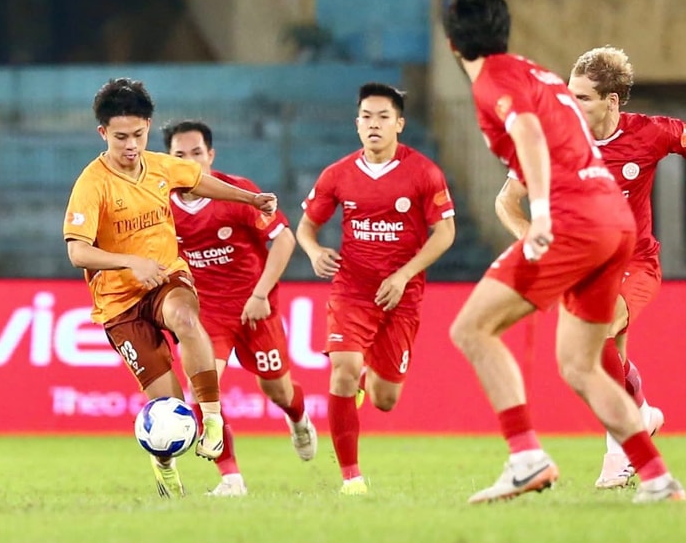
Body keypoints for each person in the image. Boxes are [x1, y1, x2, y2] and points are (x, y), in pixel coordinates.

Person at [443, 0, 685, 504]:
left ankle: (526, 458)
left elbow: (528, 133)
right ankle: (657, 477)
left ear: (452, 45)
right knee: (581, 363)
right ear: (504, 31)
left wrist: (543, 211)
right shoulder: (537, 73)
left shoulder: (492, 81)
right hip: (614, 221)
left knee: (471, 329)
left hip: (574, 221)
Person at [495, 45, 686, 489]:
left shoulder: (653, 133)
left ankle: (632, 431)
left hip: (636, 262)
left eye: (582, 97)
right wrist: (531, 236)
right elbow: (506, 201)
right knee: (605, 363)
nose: (570, 104)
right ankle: (634, 425)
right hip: (583, 267)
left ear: (612, 101)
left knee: (601, 332)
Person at [63, 79, 278, 499]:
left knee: (184, 316)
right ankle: (164, 465)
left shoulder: (160, 166)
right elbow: (77, 252)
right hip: (117, 305)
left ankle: (213, 418)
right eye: (120, 137)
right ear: (102, 133)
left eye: (138, 135)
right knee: (168, 408)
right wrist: (129, 261)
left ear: (148, 127)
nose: (130, 145)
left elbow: (198, 180)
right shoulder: (92, 184)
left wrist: (250, 200)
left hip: (165, 278)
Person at [296, 82, 457, 495]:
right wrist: (314, 252)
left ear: (399, 124)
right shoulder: (338, 174)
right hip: (351, 289)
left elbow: (445, 233)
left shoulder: (423, 172)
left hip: (402, 296)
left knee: (386, 399)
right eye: (367, 116)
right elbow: (306, 227)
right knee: (343, 370)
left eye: (383, 117)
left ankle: (371, 379)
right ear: (357, 123)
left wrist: (404, 274)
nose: (374, 124)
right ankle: (351, 478)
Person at [162, 119, 318, 497]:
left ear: (210, 155)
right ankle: (230, 478)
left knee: (277, 390)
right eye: (179, 155)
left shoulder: (237, 193)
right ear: (168, 160)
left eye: (196, 153)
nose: (190, 161)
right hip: (206, 313)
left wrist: (262, 294)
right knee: (202, 391)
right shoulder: (161, 206)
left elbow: (283, 241)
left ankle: (298, 419)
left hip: (254, 305)